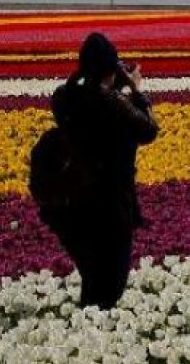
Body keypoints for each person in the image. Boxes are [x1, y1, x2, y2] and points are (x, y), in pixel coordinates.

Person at [50, 32, 159, 309]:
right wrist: (135, 90)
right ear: (111, 68)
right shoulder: (112, 103)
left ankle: (85, 332)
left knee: (93, 279)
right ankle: (93, 336)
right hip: (111, 204)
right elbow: (148, 129)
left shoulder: (65, 99)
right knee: (111, 283)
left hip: (73, 204)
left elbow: (73, 92)